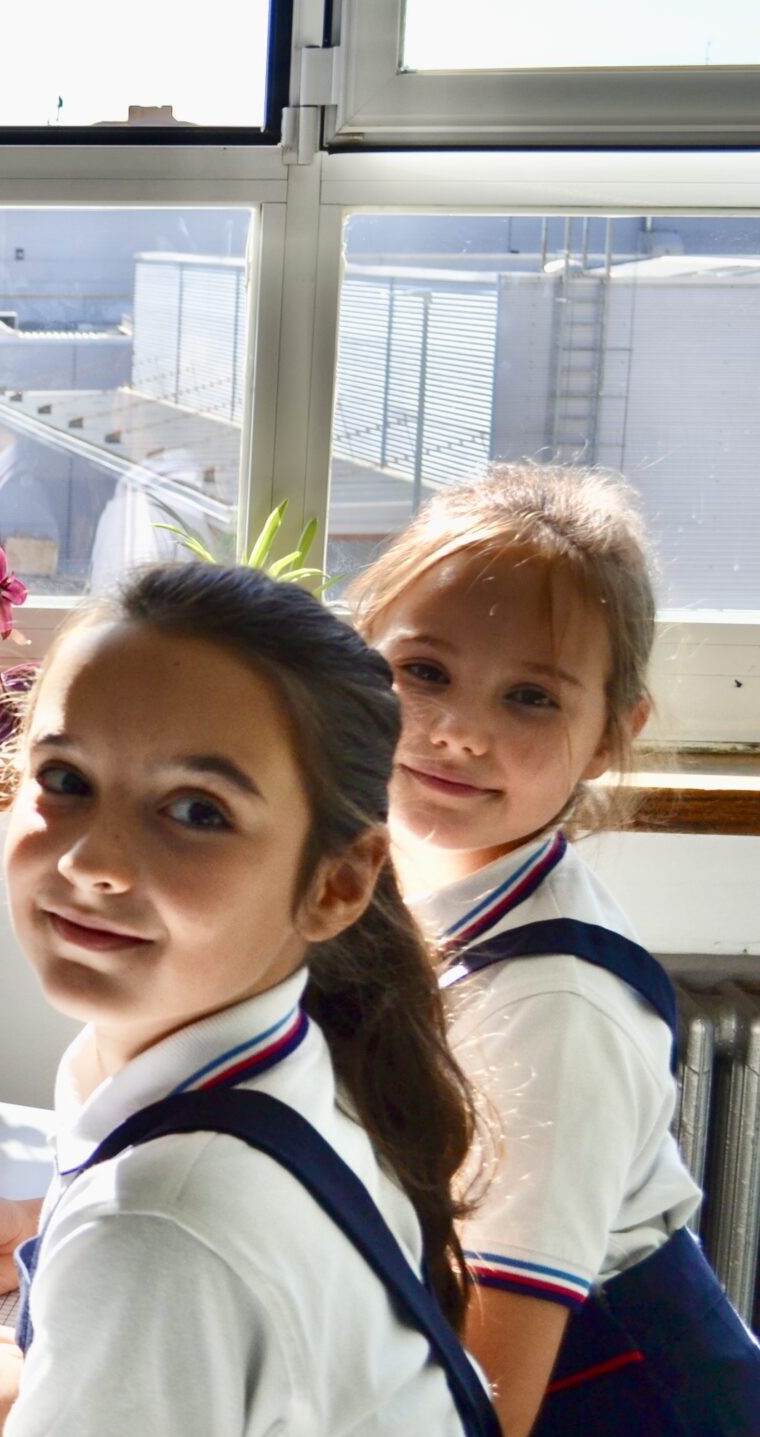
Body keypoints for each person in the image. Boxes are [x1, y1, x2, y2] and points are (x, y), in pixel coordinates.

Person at [0, 563, 498, 1435]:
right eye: (66, 780)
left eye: (195, 810)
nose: (91, 861)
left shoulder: (160, 1229)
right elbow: (20, 1409)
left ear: (337, 883)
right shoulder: (302, 1075)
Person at [349, 465, 760, 1436]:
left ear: (611, 737)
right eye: (425, 672)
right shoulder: (373, 883)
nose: (457, 731)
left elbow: (484, 1404)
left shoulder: (556, 1009)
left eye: (529, 698)